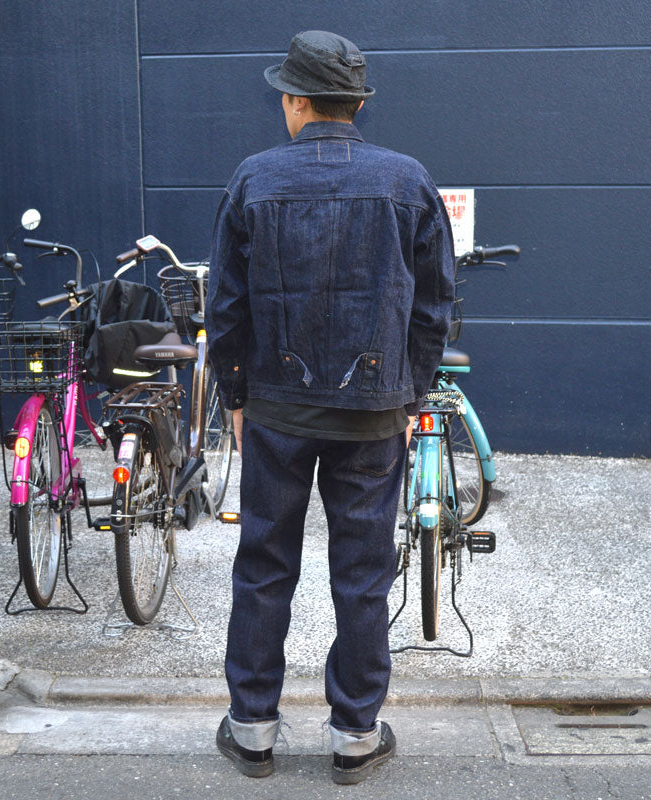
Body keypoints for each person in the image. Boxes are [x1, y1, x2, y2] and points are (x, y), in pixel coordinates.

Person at [205, 30, 455, 785]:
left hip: (278, 409)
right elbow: (435, 306)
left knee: (263, 565)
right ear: (356, 104)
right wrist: (407, 391)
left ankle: (252, 730)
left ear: (295, 101)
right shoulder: (407, 182)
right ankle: (354, 736)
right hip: (372, 413)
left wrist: (237, 394)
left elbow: (227, 306)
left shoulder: (254, 178)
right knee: (362, 574)